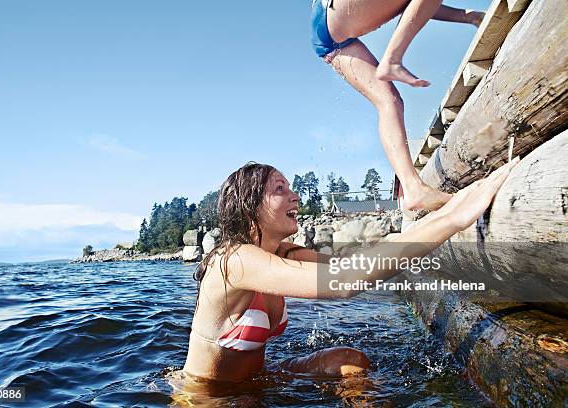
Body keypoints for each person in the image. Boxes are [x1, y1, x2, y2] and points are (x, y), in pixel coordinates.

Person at [171, 158, 519, 401]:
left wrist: (449, 210)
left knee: (349, 360)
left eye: (291, 188)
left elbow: (357, 264)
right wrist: (456, 218)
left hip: (258, 381)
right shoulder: (234, 261)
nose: (295, 196)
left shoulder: (284, 252)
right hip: (207, 396)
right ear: (250, 206)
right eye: (280, 189)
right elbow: (344, 282)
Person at [310, 0, 485, 212]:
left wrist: (469, 16)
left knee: (389, 102)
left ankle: (413, 190)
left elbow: (417, 6)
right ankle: (392, 60)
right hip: (332, 12)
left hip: (329, 34)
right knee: (387, 100)